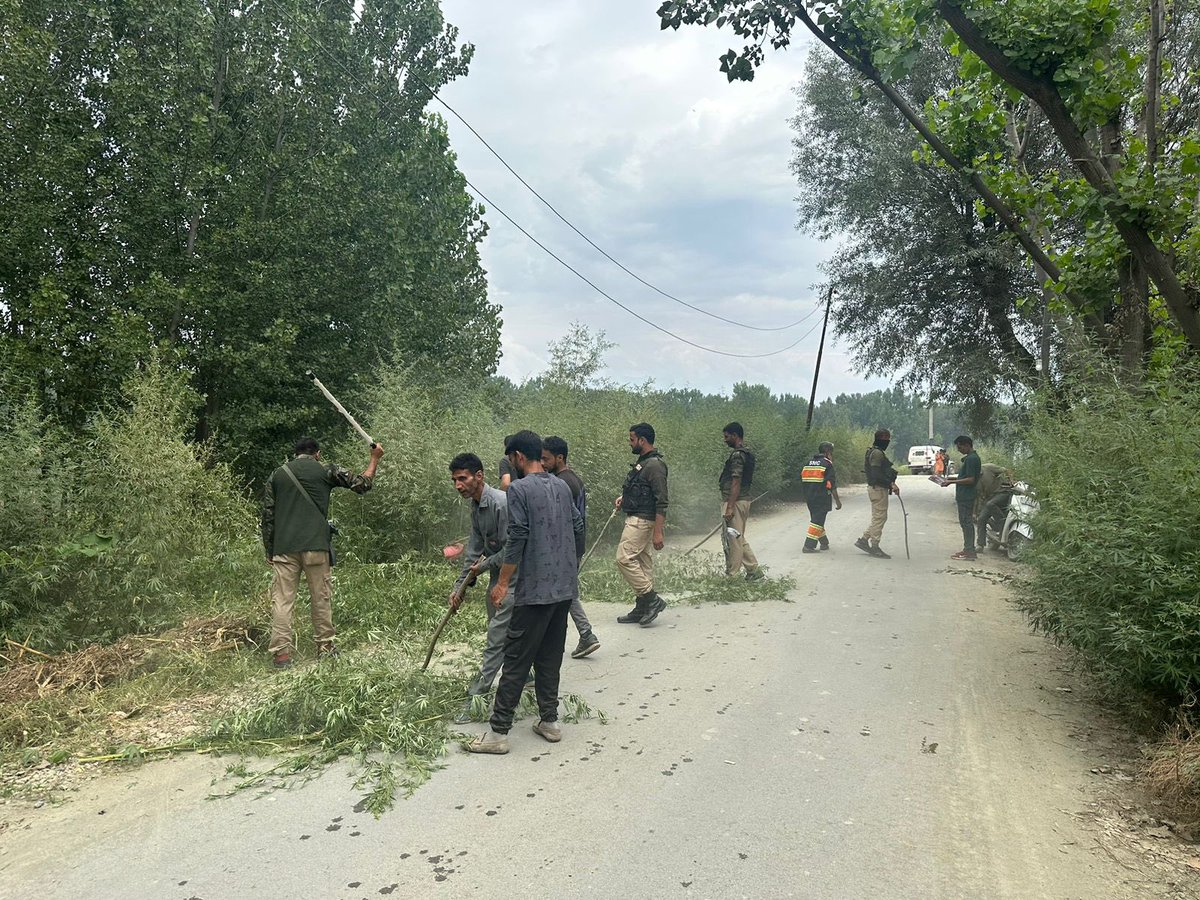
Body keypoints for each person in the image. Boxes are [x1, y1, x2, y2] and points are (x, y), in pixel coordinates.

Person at [468, 431, 585, 754]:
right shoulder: (561, 486)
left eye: (511, 459)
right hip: (563, 588)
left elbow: (517, 535)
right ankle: (549, 721)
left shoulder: (519, 489)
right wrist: (568, 563)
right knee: (550, 656)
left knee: (516, 659)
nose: (511, 465)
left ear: (518, 457)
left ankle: (498, 733)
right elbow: (577, 526)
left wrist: (502, 582)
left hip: (534, 591)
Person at [262, 437, 383, 669]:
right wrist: (374, 458)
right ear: (317, 454)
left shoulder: (277, 474)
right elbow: (362, 484)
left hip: (284, 548)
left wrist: (270, 548)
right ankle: (325, 647)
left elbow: (268, 514)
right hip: (316, 545)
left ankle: (281, 655)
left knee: (283, 601)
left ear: (295, 454)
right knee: (321, 597)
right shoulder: (327, 470)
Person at [447, 453, 512, 723]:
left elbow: (513, 549)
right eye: (454, 480)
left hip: (515, 576)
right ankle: (526, 674)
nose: (458, 485)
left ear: (479, 476)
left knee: (496, 639)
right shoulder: (476, 507)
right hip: (497, 575)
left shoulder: (501, 503)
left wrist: (483, 568)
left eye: (462, 479)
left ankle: (476, 699)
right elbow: (474, 551)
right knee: (501, 630)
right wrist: (460, 587)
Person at [541, 435, 601, 659]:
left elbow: (561, 520)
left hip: (565, 547)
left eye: (546, 459)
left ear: (560, 458)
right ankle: (583, 634)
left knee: (566, 592)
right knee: (565, 590)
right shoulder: (572, 478)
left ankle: (586, 634)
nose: (543, 463)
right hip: (573, 545)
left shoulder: (561, 483)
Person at [614, 422, 669, 627]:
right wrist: (624, 498)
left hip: (642, 521)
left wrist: (658, 533)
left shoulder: (655, 465)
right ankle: (642, 607)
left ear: (642, 440)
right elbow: (640, 489)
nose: (630, 443)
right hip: (638, 517)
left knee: (624, 559)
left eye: (632, 439)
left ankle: (651, 599)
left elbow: (661, 501)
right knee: (643, 563)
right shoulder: (644, 462)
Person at [718, 423, 764, 580]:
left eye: (726, 436)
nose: (724, 440)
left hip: (735, 502)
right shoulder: (747, 454)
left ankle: (732, 576)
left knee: (733, 540)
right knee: (738, 537)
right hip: (742, 501)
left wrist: (730, 507)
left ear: (735, 435)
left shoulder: (738, 456)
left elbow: (736, 481)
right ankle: (754, 571)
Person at [855, 429, 899, 559]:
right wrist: (891, 483)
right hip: (878, 489)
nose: (888, 441)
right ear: (881, 438)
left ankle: (864, 540)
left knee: (878, 518)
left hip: (876, 489)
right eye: (886, 438)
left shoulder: (873, 451)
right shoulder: (877, 453)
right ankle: (875, 546)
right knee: (879, 518)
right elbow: (876, 473)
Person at [939, 435, 982, 560]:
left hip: (966, 496)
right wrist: (950, 479)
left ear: (967, 445)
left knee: (966, 523)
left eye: (960, 447)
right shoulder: (971, 458)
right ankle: (968, 549)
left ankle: (969, 550)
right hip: (965, 495)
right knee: (965, 523)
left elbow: (970, 479)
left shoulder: (971, 459)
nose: (959, 450)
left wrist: (952, 482)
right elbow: (965, 477)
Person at [801, 441, 842, 553]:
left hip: (809, 497)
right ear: (827, 452)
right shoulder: (827, 464)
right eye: (831, 452)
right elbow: (831, 485)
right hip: (821, 497)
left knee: (817, 519)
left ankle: (824, 542)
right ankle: (808, 546)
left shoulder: (808, 463)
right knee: (817, 521)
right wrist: (838, 501)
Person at [974, 463, 1014, 552]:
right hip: (990, 498)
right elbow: (978, 497)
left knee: (990, 504)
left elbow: (1006, 470)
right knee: (981, 518)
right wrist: (975, 512)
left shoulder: (988, 467)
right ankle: (980, 544)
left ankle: (1002, 526)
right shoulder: (974, 479)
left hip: (1003, 492)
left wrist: (1012, 482)